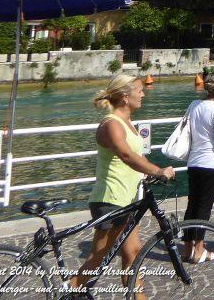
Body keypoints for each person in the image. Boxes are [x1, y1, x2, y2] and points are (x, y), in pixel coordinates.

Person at [70, 74, 175, 298]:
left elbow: (129, 159)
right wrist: (157, 170)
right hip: (111, 198)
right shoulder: (111, 124)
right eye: (139, 90)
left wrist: (145, 175)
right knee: (97, 259)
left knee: (132, 254)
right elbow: (126, 155)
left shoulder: (127, 122)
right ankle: (68, 290)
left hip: (126, 199)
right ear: (126, 97)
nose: (143, 93)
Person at [181, 71, 214, 263]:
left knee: (192, 205)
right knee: (204, 208)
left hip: (193, 162)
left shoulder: (194, 105)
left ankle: (187, 249)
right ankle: (200, 250)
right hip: (210, 164)